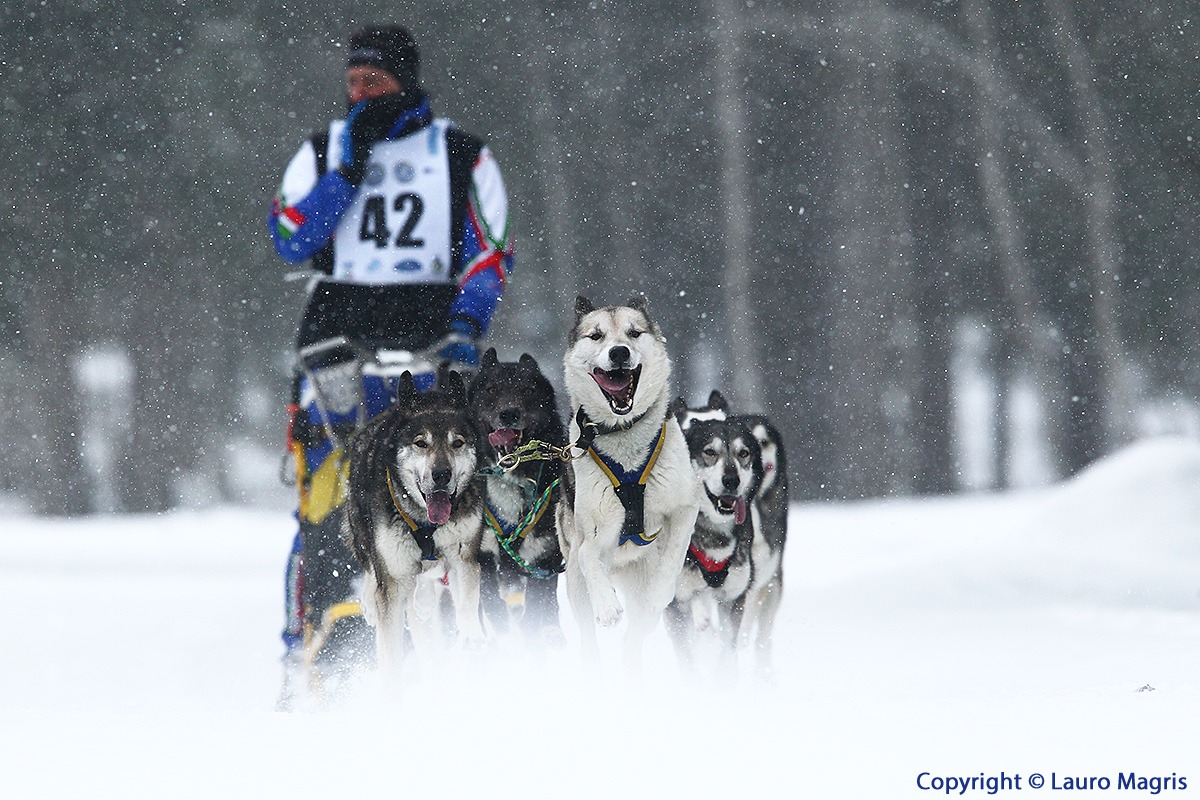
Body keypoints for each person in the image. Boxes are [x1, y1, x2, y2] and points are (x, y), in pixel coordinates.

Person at [267, 24, 512, 704]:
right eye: (352, 82)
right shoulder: (324, 149)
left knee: (447, 490)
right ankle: (305, 647)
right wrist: (347, 174)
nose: (360, 94)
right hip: (335, 345)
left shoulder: (460, 154)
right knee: (326, 499)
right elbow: (289, 238)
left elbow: (491, 251)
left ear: (404, 80)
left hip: (432, 345)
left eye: (373, 81)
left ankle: (459, 634)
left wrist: (467, 324)